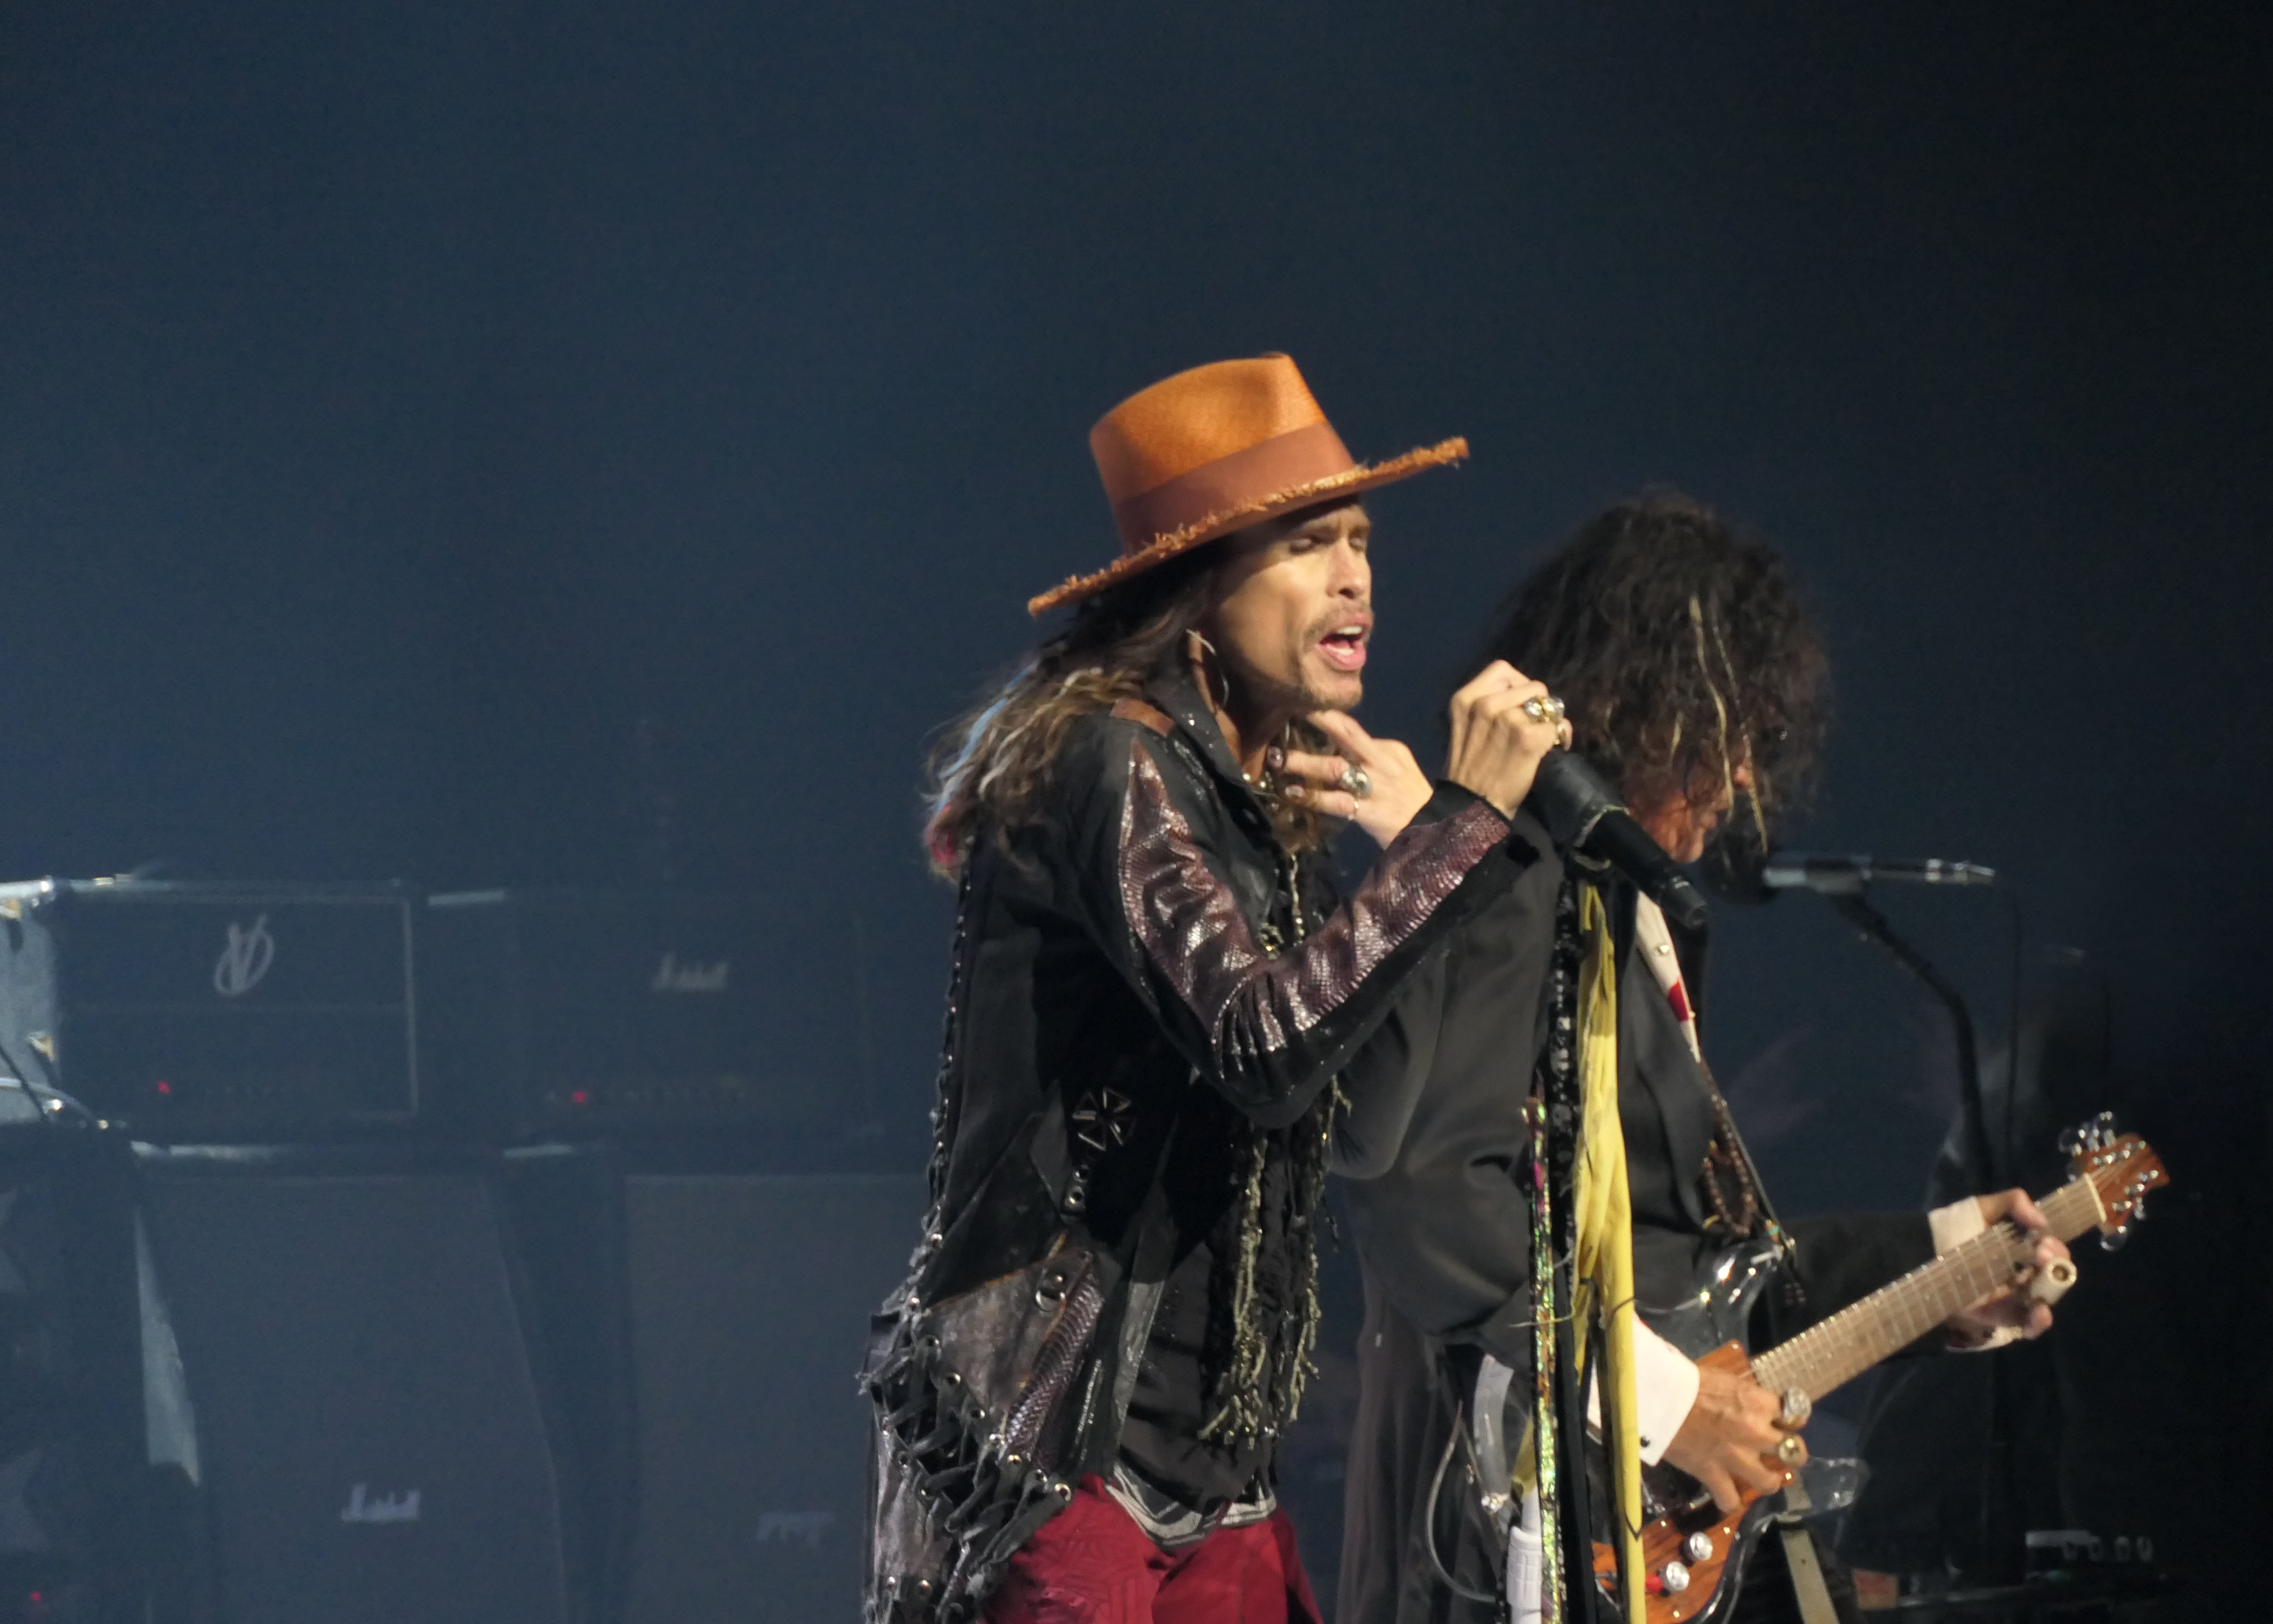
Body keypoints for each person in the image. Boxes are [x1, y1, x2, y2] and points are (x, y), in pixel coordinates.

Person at [861, 354, 1570, 1624]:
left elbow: (1354, 1127)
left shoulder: (1266, 794)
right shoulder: (1105, 758)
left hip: (1215, 1461)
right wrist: (1453, 832)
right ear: (1197, 588)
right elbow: (1262, 1048)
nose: (1354, 576)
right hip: (1055, 1445)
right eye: (1306, 544)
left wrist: (1419, 864)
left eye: (1359, 541)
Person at [1320, 491, 2072, 1624]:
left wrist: (1938, 1260)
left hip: (1641, 1514)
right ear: (1640, 708)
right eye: (1726, 739)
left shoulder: (1620, 907)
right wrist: (1668, 1405)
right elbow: (1427, 1199)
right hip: (1522, 1523)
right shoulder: (1504, 883)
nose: (1742, 783)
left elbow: (1695, 1277)